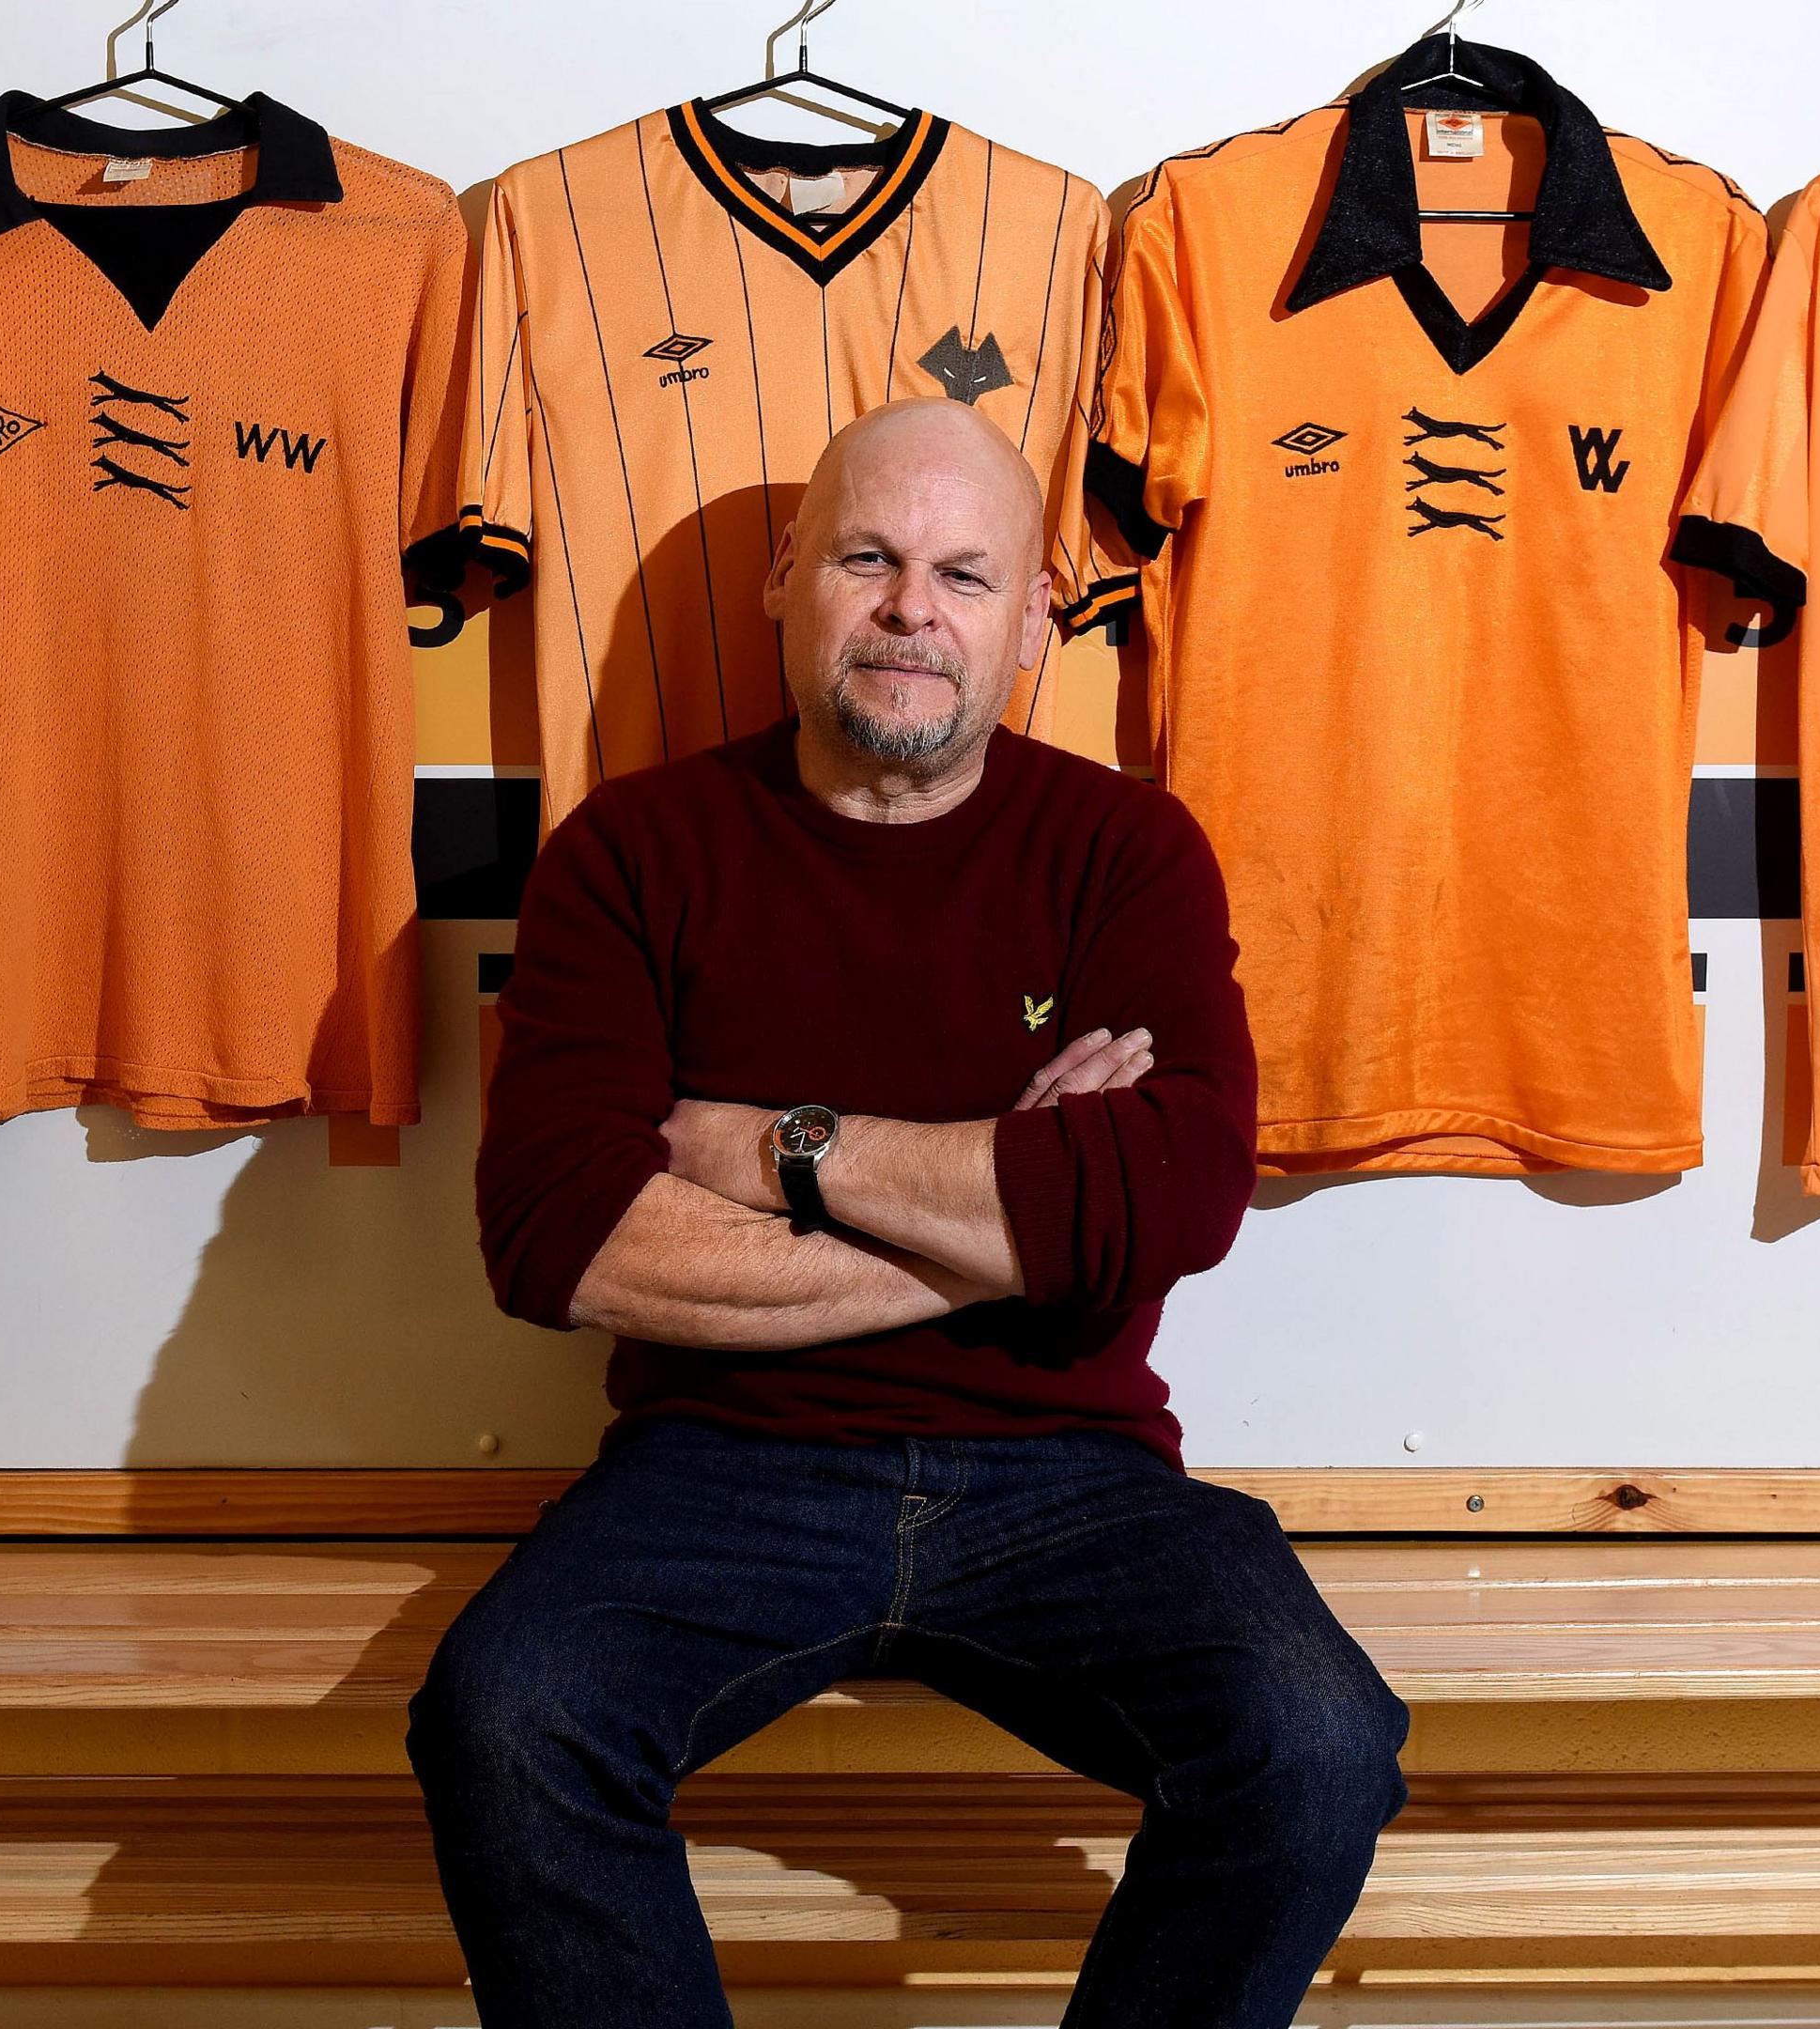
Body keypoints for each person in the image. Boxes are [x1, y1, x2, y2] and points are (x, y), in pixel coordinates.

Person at [412, 397, 1411, 2028]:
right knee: (505, 1721)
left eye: (964, 573)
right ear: (786, 578)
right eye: (867, 558)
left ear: (1030, 618)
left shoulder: (1124, 852)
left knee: (1316, 1743)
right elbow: (556, 1239)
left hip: (1073, 1477)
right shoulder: (634, 854)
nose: (909, 610)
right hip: (720, 1469)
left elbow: (1175, 1196)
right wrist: (1016, 1205)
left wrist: (769, 1146)